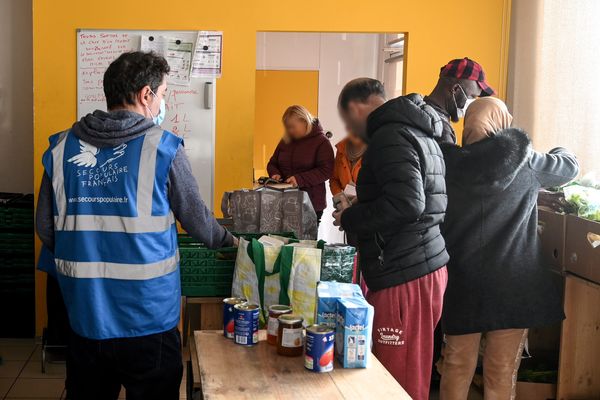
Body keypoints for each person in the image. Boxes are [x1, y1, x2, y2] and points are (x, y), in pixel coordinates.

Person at [35, 51, 236, 400]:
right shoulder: (163, 148)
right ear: (146, 95)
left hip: (85, 316)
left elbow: (45, 228)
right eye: (162, 94)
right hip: (148, 319)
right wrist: (232, 243)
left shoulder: (61, 149)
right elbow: (198, 221)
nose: (162, 102)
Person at [438, 97, 579, 400]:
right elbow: (570, 167)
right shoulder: (526, 162)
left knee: (457, 363)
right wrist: (559, 150)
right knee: (501, 369)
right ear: (502, 122)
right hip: (512, 283)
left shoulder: (448, 166)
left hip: (462, 281)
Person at [333, 78, 449, 400]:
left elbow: (408, 203)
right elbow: (414, 197)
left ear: (357, 108)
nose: (351, 128)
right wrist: (361, 204)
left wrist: (351, 217)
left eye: (348, 119)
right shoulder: (414, 128)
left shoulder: (389, 136)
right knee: (409, 367)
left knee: (398, 380)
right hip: (418, 262)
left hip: (404, 271)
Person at [267, 105, 334, 222]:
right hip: (284, 202)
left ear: (304, 121)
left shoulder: (322, 142)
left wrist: (299, 179)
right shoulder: (285, 141)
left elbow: (326, 170)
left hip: (310, 204)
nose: (289, 131)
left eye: (292, 127)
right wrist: (275, 174)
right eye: (287, 127)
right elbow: (272, 163)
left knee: (307, 240)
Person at [424, 57, 495, 144]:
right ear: (455, 89)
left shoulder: (422, 111)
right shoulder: (440, 129)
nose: (473, 103)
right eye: (472, 96)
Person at [329, 130, 366, 196]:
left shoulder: (375, 151)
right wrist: (339, 196)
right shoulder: (341, 147)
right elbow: (334, 179)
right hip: (346, 204)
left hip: (368, 204)